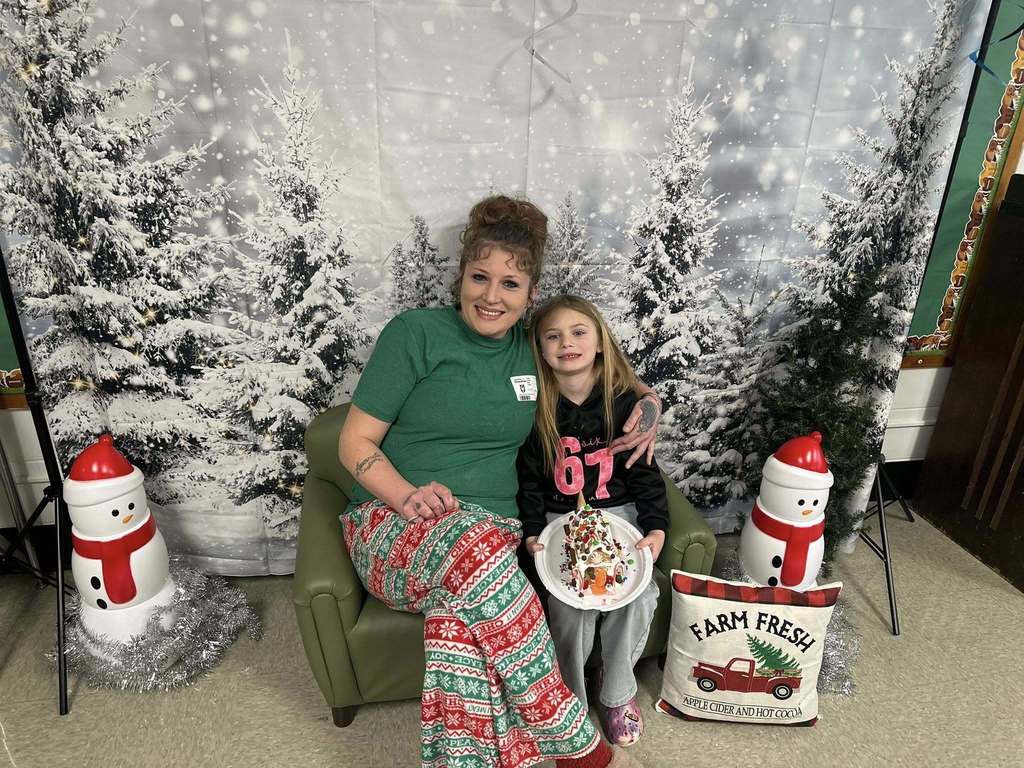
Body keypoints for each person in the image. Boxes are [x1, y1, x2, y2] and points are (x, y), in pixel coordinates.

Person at [337, 195, 662, 768]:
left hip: (496, 534)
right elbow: (353, 443)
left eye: (510, 284)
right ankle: (570, 738)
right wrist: (406, 495)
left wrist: (649, 406)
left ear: (530, 293)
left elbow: (603, 368)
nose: (491, 296)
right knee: (480, 560)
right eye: (479, 277)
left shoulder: (532, 350)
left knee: (459, 624)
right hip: (394, 523)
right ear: (461, 277)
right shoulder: (415, 334)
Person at [517, 295, 667, 748]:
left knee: (636, 598)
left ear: (600, 341)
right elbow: (527, 481)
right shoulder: (536, 406)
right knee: (570, 606)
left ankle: (617, 692)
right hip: (558, 519)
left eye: (579, 332)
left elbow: (645, 472)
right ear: (540, 349)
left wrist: (657, 527)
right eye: (554, 336)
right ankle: (571, 699)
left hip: (619, 516)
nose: (567, 343)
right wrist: (530, 532)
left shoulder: (625, 403)